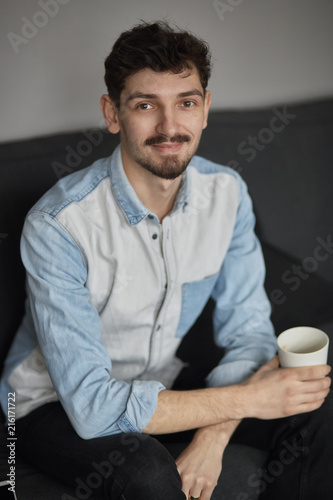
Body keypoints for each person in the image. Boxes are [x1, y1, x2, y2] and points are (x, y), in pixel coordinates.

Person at [0, 21, 332, 500]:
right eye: (145, 105)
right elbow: (92, 407)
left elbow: (249, 333)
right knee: (147, 473)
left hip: (164, 380)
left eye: (186, 103)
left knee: (320, 412)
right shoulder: (58, 225)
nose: (169, 127)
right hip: (48, 403)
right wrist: (248, 400)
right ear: (112, 113)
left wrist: (213, 435)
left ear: (205, 110)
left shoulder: (229, 195)